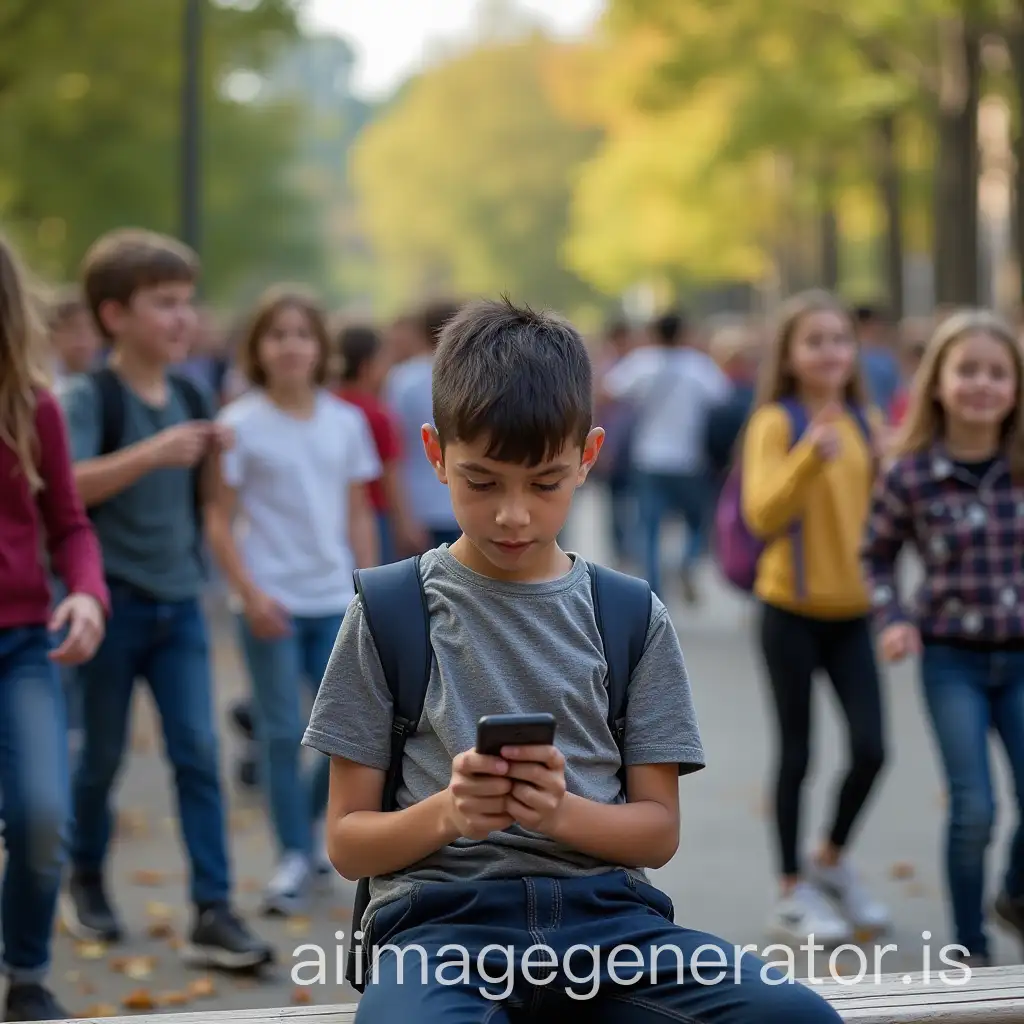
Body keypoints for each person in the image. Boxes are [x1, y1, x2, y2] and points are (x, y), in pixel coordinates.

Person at [301, 297, 842, 1023]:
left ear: (589, 456)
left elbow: (657, 830)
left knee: (795, 1017)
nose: (514, 514)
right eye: (482, 481)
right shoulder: (391, 610)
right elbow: (348, 843)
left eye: (546, 483)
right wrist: (451, 814)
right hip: (440, 933)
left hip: (613, 928)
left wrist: (556, 811)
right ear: (435, 454)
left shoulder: (628, 615)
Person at [57, 228, 273, 970]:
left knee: (198, 754)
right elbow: (64, 488)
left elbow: (208, 503)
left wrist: (219, 465)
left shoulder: (189, 391)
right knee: (100, 759)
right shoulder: (88, 395)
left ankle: (214, 909)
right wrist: (156, 451)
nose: (183, 319)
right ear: (115, 316)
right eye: (165, 304)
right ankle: (84, 879)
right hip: (109, 604)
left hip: (180, 604)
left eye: (187, 303)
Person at [205, 286, 381, 916]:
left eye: (301, 334)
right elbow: (218, 521)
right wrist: (248, 593)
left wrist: (368, 586)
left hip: (336, 596)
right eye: (275, 334)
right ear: (257, 347)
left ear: (319, 346)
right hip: (269, 602)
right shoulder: (238, 425)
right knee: (281, 733)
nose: (289, 346)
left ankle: (310, 836)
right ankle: (290, 857)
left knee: (345, 737)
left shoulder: (346, 421)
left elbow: (359, 511)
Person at [862, 309, 1024, 968]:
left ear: (1015, 387)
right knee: (974, 809)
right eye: (968, 370)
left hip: (1021, 659)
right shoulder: (911, 474)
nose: (982, 384)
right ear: (938, 383)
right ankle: (971, 950)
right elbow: (875, 555)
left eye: (997, 372)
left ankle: (1015, 894)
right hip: (951, 660)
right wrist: (893, 618)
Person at [740, 290, 889, 946]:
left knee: (872, 749)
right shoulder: (777, 421)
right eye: (815, 340)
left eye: (840, 339)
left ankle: (829, 860)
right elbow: (762, 515)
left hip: (853, 612)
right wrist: (809, 456)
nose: (831, 350)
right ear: (792, 356)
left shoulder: (865, 419)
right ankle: (791, 890)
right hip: (789, 612)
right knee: (796, 753)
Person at [0, 237, 109, 1020]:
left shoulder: (33, 405)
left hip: (21, 646)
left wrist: (89, 595)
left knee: (42, 816)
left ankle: (28, 973)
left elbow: (69, 525)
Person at [601, 310, 732, 604]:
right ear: (683, 332)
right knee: (699, 521)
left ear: (654, 333)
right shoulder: (699, 365)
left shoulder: (642, 363)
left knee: (649, 527)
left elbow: (608, 392)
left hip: (648, 458)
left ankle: (654, 592)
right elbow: (722, 399)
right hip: (689, 459)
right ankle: (686, 562)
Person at [335, 323, 425, 562]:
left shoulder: (330, 407)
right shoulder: (377, 414)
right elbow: (390, 474)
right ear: (367, 366)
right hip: (374, 515)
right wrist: (405, 522)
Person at [384, 300, 463, 549]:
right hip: (462, 505)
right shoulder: (478, 376)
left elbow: (394, 453)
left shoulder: (403, 379)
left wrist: (403, 518)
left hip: (419, 507)